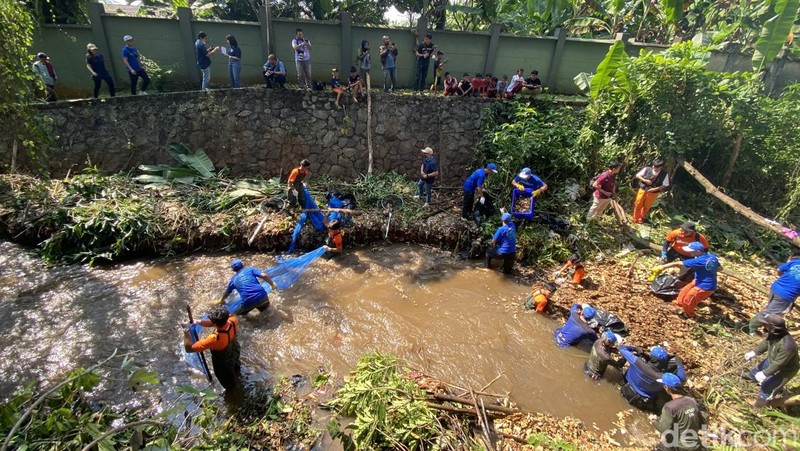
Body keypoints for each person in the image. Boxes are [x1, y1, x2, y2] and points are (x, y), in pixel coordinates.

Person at [744, 314, 800, 406]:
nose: (763, 325)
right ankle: (750, 376)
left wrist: (765, 374)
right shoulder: (774, 334)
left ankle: (761, 403)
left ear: (772, 327)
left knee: (768, 385)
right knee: (758, 369)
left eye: (765, 324)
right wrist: (754, 352)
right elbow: (766, 344)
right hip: (772, 359)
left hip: (786, 370)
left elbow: (779, 364)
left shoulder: (788, 346)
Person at [183, 305, 241, 390]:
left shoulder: (214, 339)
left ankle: (234, 393)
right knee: (236, 369)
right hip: (234, 350)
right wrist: (198, 322)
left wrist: (186, 331)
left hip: (223, 363)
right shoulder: (233, 320)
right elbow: (215, 323)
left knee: (229, 384)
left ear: (215, 323)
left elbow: (189, 348)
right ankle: (238, 378)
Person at [657, 241, 721, 318]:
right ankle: (678, 304)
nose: (689, 253)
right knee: (684, 291)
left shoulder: (698, 261)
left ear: (697, 252)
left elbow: (679, 264)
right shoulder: (711, 257)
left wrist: (662, 267)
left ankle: (689, 315)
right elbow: (720, 268)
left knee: (688, 301)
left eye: (691, 251)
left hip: (705, 287)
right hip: (698, 280)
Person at [749, 252, 800, 334]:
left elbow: (779, 270)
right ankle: (751, 327)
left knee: (773, 310)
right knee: (771, 313)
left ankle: (767, 328)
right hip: (786, 294)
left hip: (776, 287)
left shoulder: (795, 262)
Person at [654, 373, 706, 451]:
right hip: (695, 445)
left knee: (663, 442)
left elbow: (663, 429)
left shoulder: (669, 407)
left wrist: (654, 421)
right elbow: (703, 424)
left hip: (681, 447)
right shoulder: (692, 401)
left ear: (666, 387)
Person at [619, 345, 669, 411]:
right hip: (643, 402)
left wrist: (635, 348)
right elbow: (681, 378)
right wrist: (679, 364)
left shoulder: (638, 362)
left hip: (627, 391)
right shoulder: (664, 377)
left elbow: (621, 349)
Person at [632, 159, 670, 224]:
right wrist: (645, 180)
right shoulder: (647, 169)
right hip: (643, 189)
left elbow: (665, 184)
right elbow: (637, 175)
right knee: (638, 203)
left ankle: (641, 218)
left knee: (647, 206)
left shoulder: (664, 174)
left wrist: (655, 189)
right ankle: (635, 218)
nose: (654, 168)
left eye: (656, 167)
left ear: (660, 167)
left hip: (653, 193)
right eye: (654, 166)